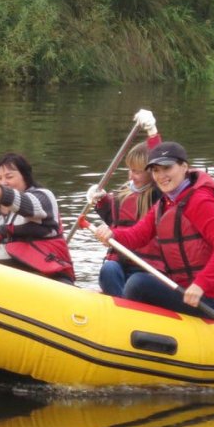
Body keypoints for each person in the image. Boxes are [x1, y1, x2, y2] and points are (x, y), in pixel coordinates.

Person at [93, 141, 214, 319]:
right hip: (182, 290)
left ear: (184, 167)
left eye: (167, 168)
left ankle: (125, 322)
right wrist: (113, 235)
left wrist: (201, 284)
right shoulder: (165, 203)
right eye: (155, 170)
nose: (161, 176)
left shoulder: (201, 201)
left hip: (209, 300)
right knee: (112, 273)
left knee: (138, 284)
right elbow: (137, 235)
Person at [88, 108, 164, 297]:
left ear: (151, 172)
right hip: (121, 263)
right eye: (129, 170)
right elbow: (114, 220)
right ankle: (120, 304)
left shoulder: (160, 194)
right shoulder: (124, 193)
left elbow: (162, 162)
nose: (131, 176)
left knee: (136, 282)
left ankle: (128, 304)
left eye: (137, 171)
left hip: (147, 268)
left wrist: (152, 132)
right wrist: (100, 200)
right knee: (108, 269)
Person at [0, 152, 76, 283]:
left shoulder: (43, 197)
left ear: (25, 177)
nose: (3, 183)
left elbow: (31, 207)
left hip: (43, 277)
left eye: (9, 177)